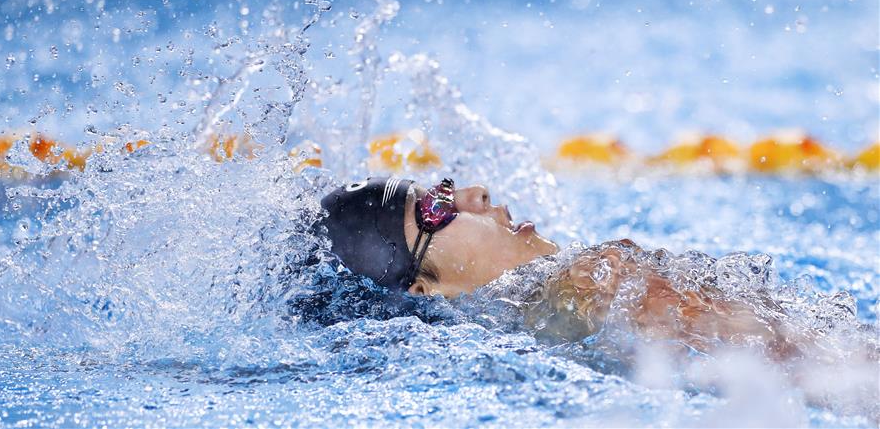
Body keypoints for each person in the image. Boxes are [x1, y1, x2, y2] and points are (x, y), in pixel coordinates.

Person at [318, 176, 853, 361]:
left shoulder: (531, 320)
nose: (479, 193)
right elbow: (825, 364)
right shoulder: (591, 278)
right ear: (423, 290)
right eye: (438, 208)